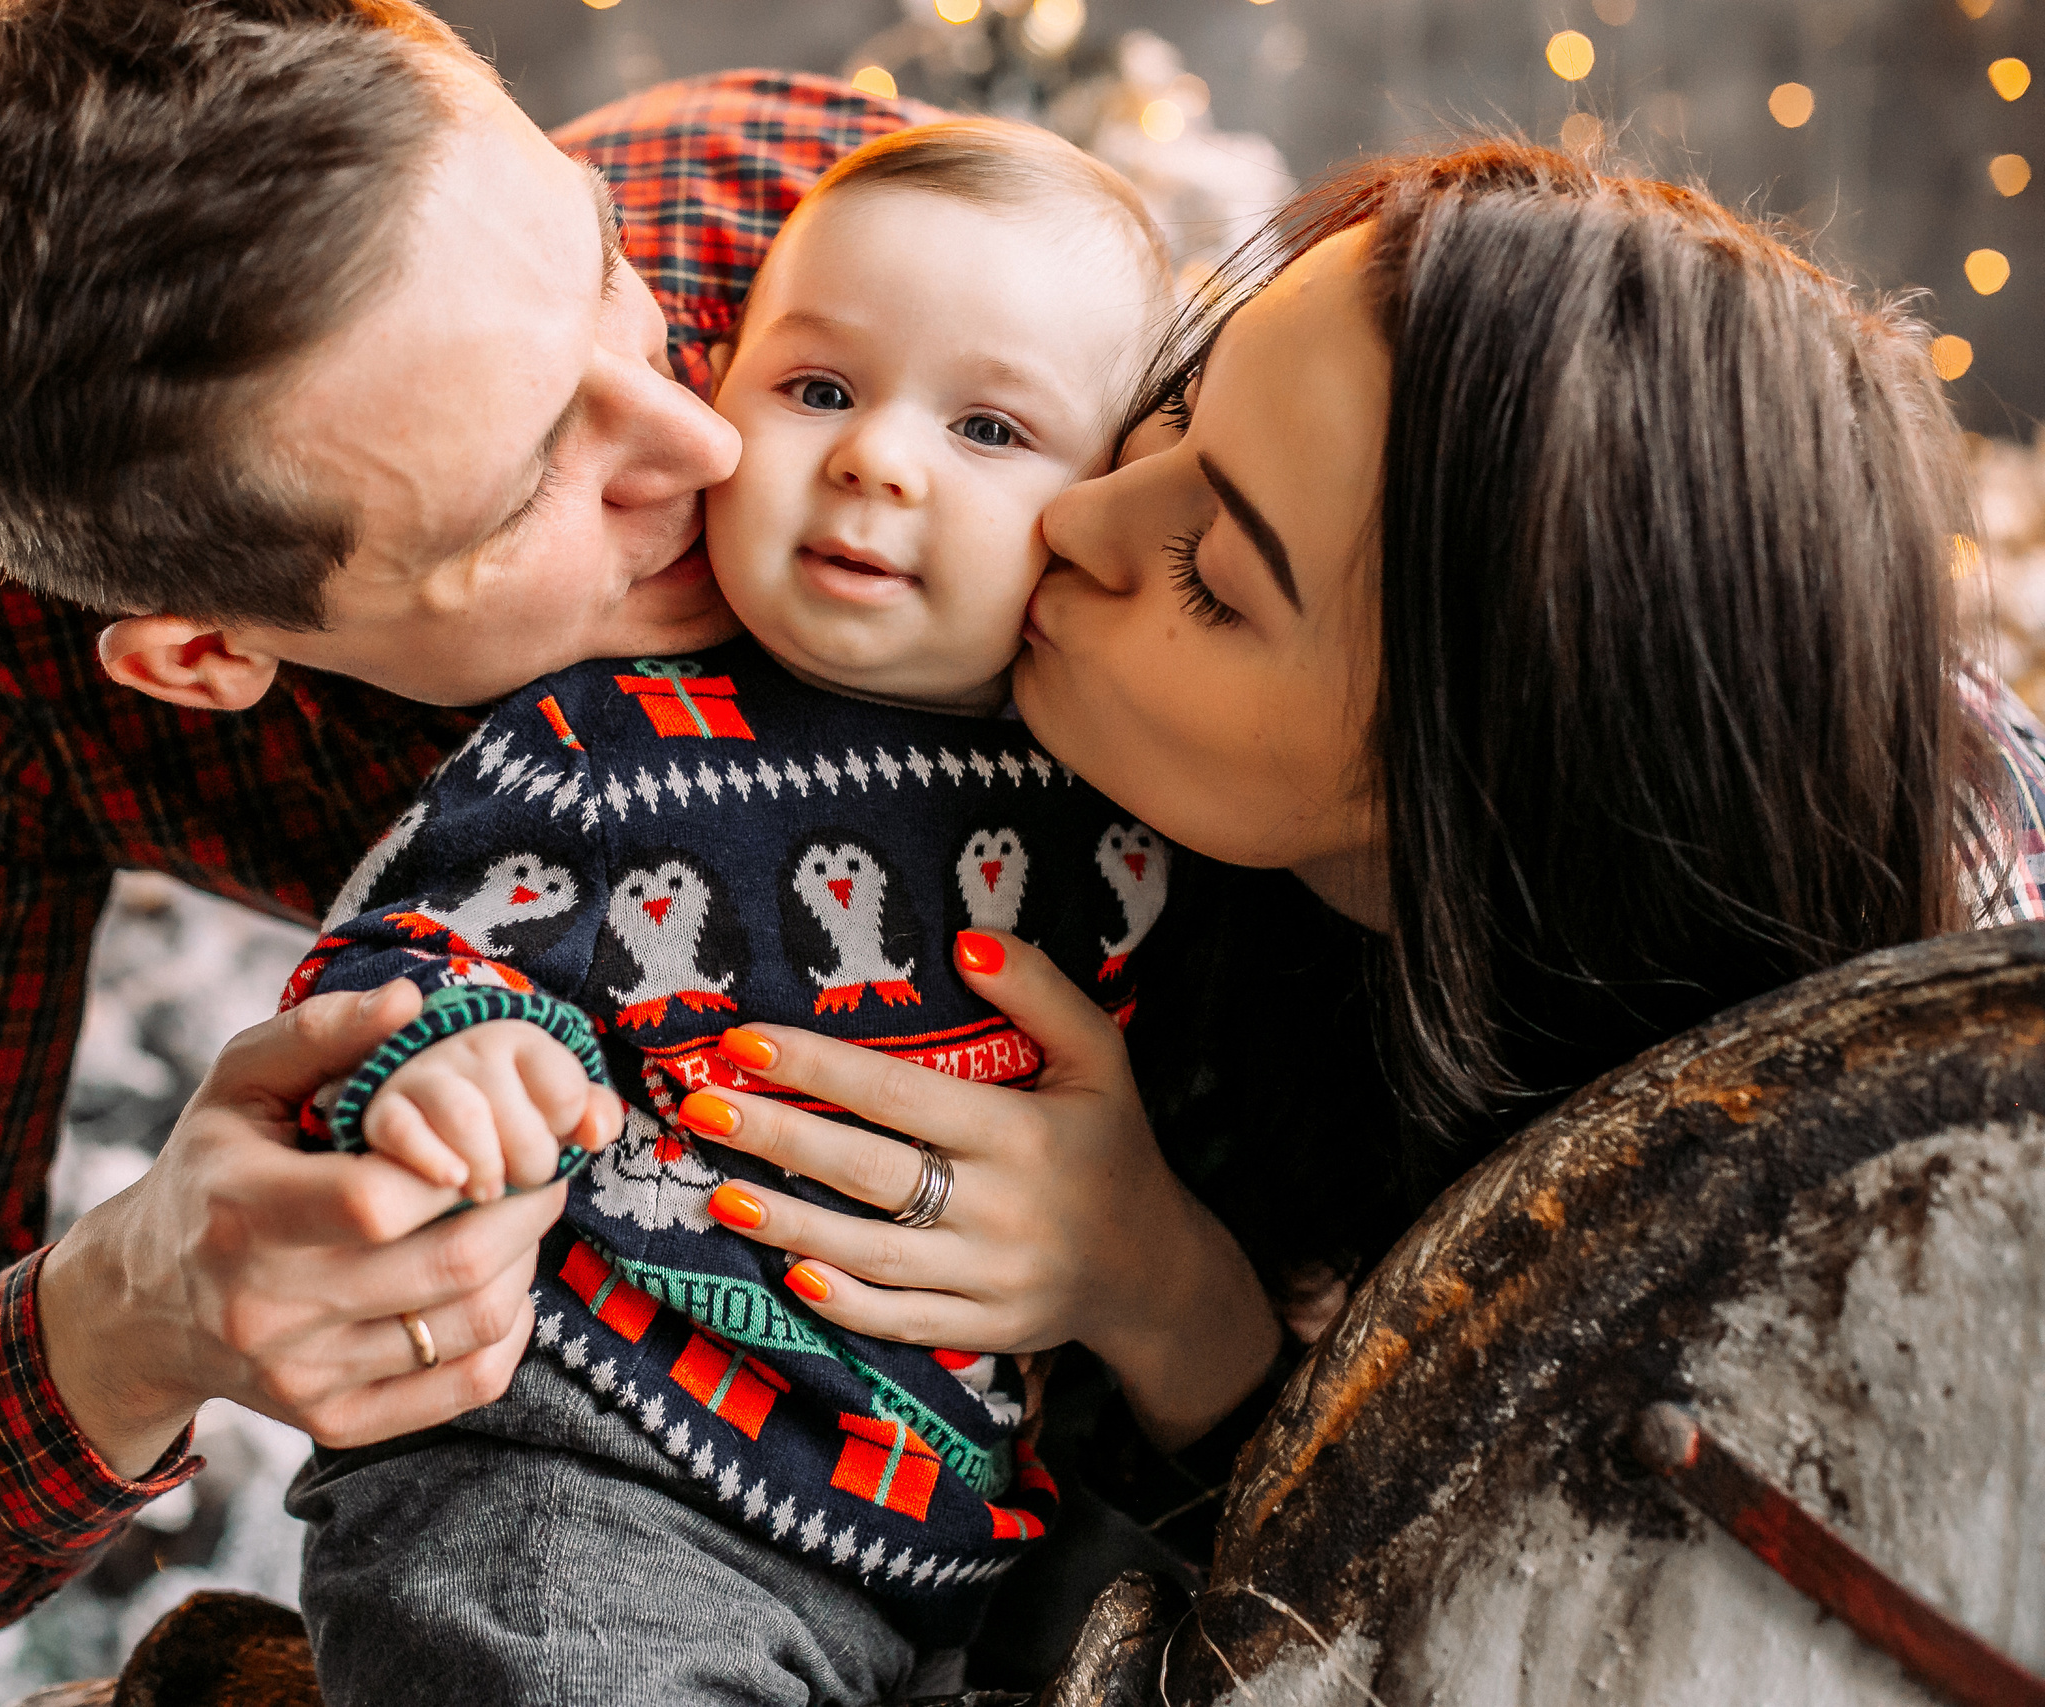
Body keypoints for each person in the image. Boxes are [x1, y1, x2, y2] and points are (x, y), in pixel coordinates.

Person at [627, 140, 2045, 1680]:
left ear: (1469, 804)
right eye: (1176, 405)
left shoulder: (1877, 1183)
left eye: (1216, 578)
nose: (1081, 518)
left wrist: (1166, 1294)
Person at [0, 0, 934, 1660]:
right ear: (203, 656)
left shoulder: (835, 218)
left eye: (606, 274)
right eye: (529, 492)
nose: (707, 438)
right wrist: (137, 1310)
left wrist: (1156, 1264)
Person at [262, 120, 1225, 1703]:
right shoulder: (604, 745)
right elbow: (406, 954)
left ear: (1110, 502)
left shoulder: (1132, 801)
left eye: (988, 427)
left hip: (948, 1550)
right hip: (585, 1484)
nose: (874, 458)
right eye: (819, 390)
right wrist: (447, 1063)